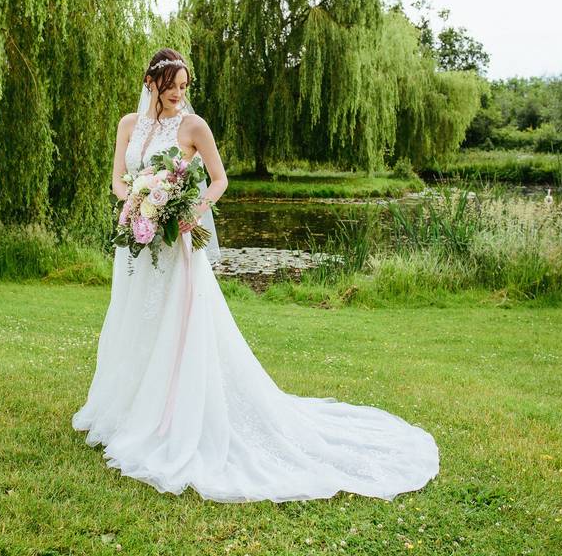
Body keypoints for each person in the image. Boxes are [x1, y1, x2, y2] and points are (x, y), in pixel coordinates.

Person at [72, 48, 439, 503]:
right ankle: (129, 412)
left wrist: (187, 210)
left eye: (185, 87)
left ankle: (172, 418)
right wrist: (137, 199)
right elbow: (117, 180)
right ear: (152, 83)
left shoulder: (194, 126)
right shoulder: (129, 124)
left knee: (176, 330)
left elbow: (219, 179)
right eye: (173, 87)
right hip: (138, 243)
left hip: (175, 247)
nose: (180, 95)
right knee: (134, 323)